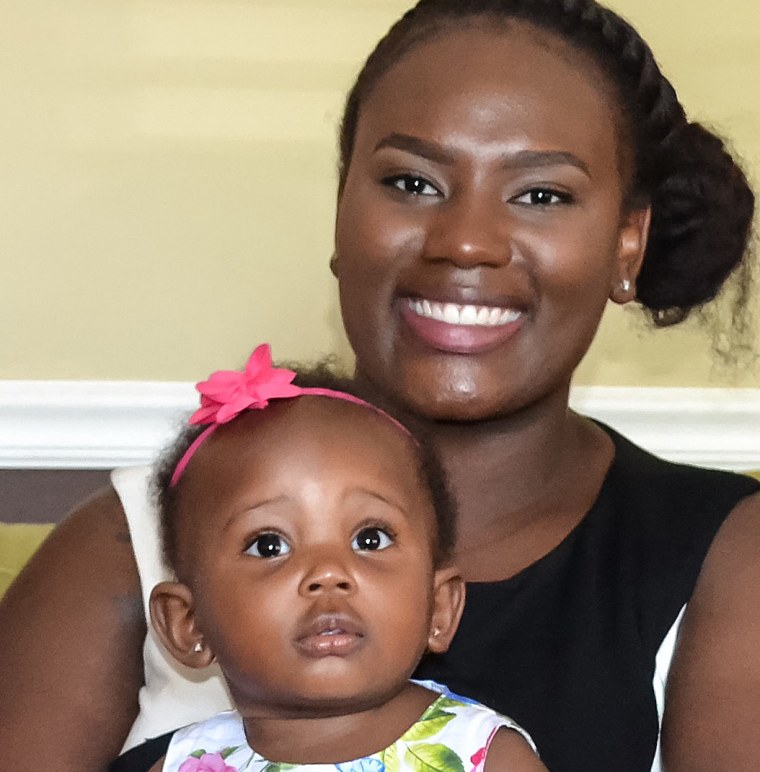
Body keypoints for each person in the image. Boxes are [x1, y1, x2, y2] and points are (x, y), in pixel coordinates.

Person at [0, 0, 758, 770]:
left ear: (627, 244)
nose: (465, 240)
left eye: (541, 195)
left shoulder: (724, 554)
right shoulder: (132, 543)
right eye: (412, 182)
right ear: (341, 213)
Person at [138, 343, 544, 772]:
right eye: (269, 546)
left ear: (439, 606)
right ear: (188, 623)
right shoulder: (186, 764)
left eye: (370, 540)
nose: (328, 572)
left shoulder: (484, 755)